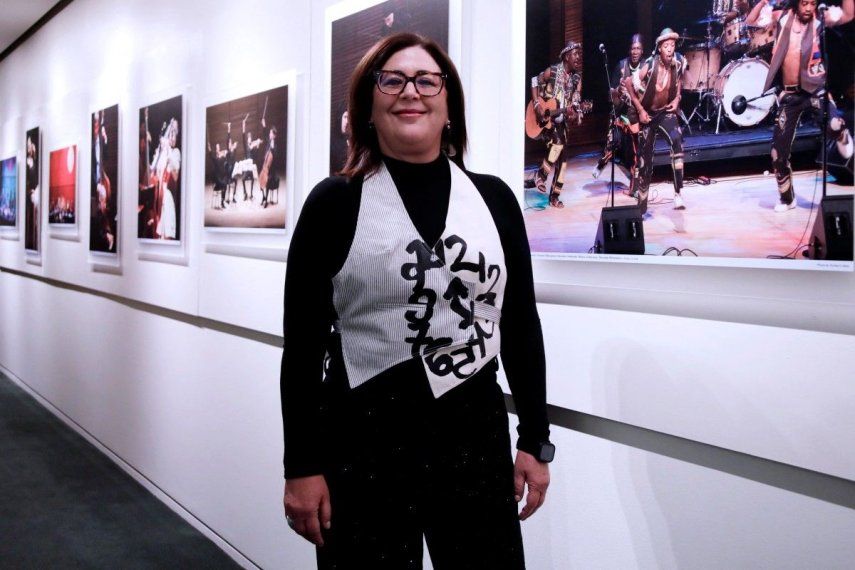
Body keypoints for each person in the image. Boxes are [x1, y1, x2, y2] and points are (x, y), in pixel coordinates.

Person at [281, 32, 553, 569]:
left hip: (473, 440)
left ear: (448, 103)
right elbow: (303, 346)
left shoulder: (495, 199)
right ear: (368, 106)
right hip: (363, 444)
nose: (412, 91)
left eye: (428, 80)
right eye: (393, 80)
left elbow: (520, 323)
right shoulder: (334, 203)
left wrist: (536, 440)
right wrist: (301, 465)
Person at [747, 0, 854, 212]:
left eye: (812, 4)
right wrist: (762, 2)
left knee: (834, 125)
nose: (808, 8)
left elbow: (849, 15)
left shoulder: (820, 20)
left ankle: (842, 136)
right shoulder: (781, 17)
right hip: (790, 94)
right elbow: (750, 22)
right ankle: (787, 199)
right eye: (804, 3)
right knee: (778, 154)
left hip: (815, 89)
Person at [625, 28, 687, 214]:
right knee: (645, 162)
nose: (670, 49)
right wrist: (641, 110)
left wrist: (677, 100)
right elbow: (629, 83)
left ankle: (678, 193)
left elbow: (680, 83)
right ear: (659, 48)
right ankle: (641, 207)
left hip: (665, 113)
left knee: (677, 141)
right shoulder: (650, 65)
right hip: (648, 115)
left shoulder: (678, 62)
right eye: (666, 46)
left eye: (673, 45)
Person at [530, 41, 584, 208]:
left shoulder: (576, 79)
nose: (578, 57)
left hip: (561, 122)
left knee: (564, 161)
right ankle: (541, 175)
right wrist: (537, 105)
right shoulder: (552, 72)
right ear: (566, 56)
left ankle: (554, 196)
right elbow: (534, 81)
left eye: (579, 54)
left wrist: (576, 113)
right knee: (558, 144)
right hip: (545, 122)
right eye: (575, 54)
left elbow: (575, 104)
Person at [593, 33, 645, 194]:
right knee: (613, 144)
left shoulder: (646, 67)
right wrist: (618, 91)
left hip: (637, 115)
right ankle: (602, 163)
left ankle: (635, 187)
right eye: (633, 48)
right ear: (629, 50)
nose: (635, 51)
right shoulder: (621, 66)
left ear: (642, 51)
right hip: (620, 113)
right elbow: (610, 95)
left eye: (638, 48)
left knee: (638, 152)